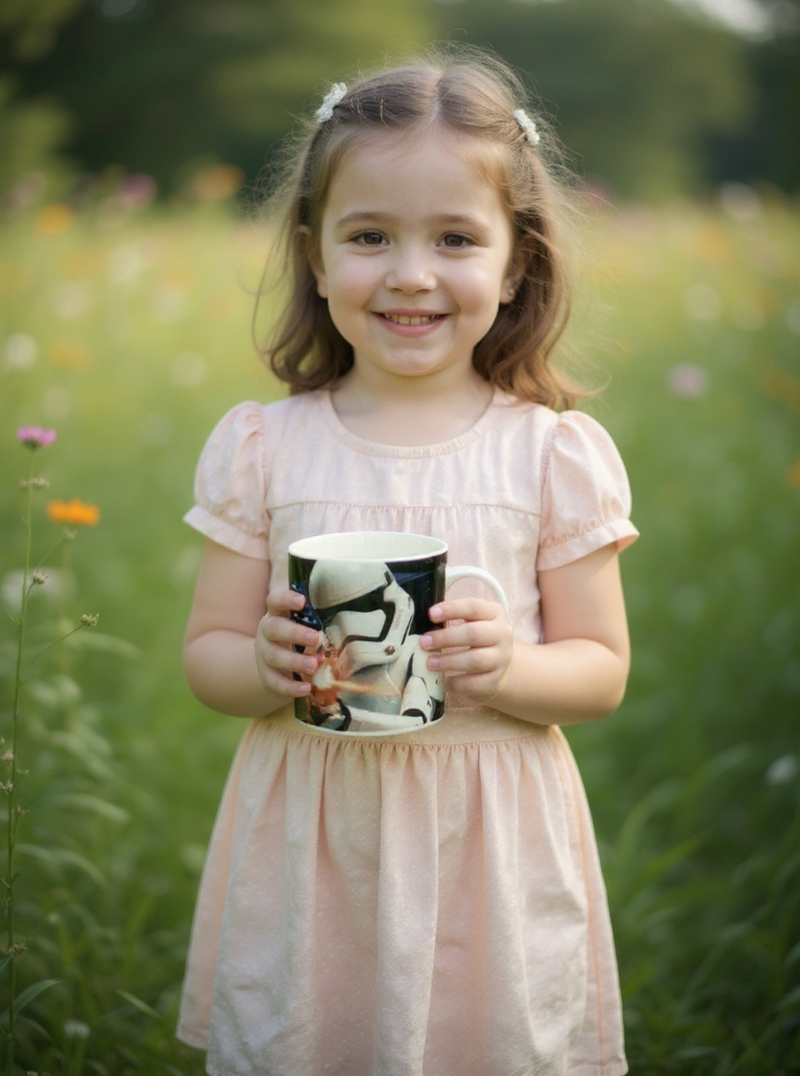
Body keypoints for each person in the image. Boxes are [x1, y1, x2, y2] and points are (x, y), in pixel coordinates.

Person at [178, 49, 638, 1076]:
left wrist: (508, 667)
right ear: (315, 252)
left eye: (454, 238)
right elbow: (206, 653)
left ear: (515, 259)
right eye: (369, 235)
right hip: (316, 840)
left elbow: (600, 668)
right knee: (313, 1039)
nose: (410, 272)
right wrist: (264, 661)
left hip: (488, 843)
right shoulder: (265, 443)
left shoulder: (549, 452)